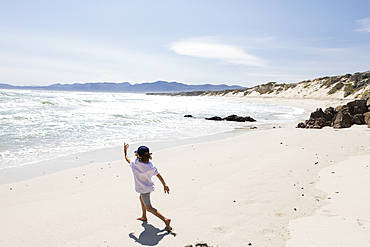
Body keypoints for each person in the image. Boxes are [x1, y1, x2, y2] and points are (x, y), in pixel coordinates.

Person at [124, 143, 172, 231]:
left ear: (138, 155)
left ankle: (165, 220)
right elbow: (158, 175)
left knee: (149, 207)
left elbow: (127, 158)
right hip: (148, 187)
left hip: (143, 189)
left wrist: (125, 151)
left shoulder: (135, 163)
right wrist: (164, 184)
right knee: (141, 199)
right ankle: (144, 216)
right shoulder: (151, 165)